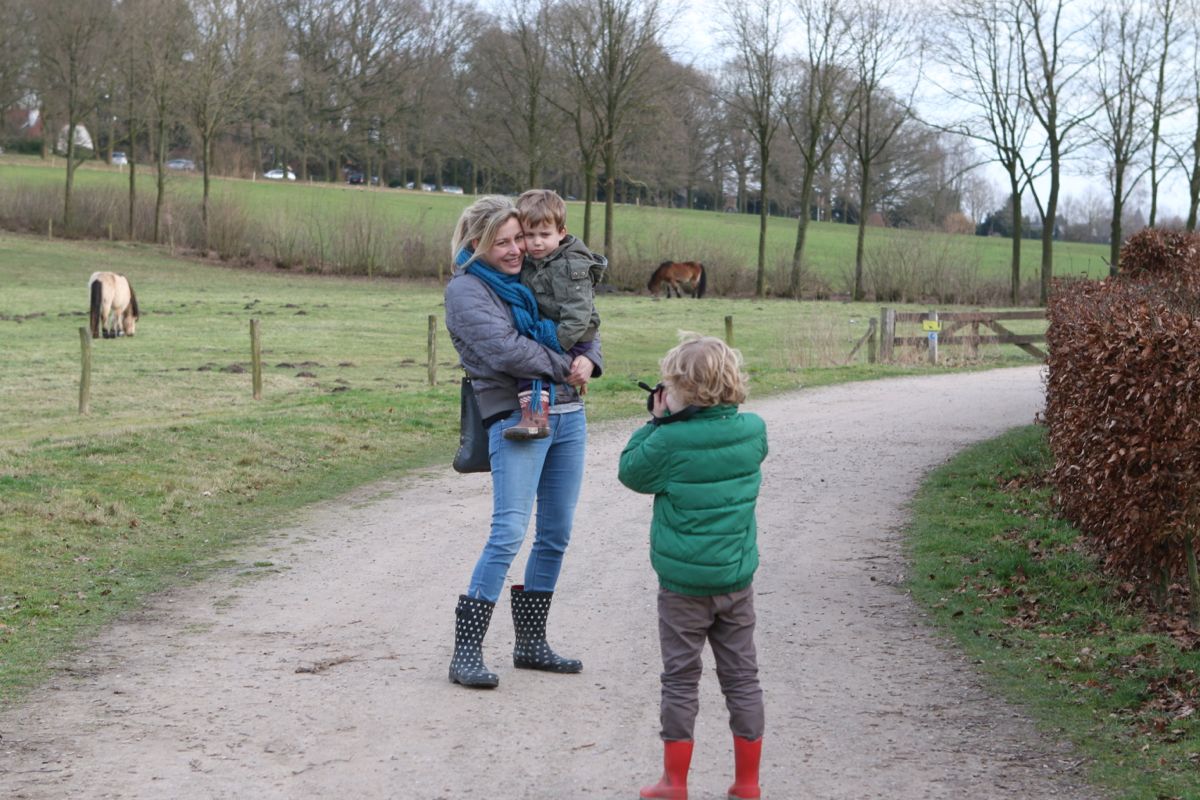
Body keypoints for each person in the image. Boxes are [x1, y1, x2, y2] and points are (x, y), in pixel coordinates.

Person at [443, 195, 600, 689]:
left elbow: (583, 320)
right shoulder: (467, 291)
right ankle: (465, 652)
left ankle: (531, 644)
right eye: (502, 242)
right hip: (517, 416)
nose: (515, 250)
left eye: (518, 238)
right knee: (509, 531)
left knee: (555, 534)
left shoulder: (536, 274)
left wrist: (590, 359)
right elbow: (507, 351)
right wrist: (567, 367)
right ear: (476, 244)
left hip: (568, 416)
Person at [617, 335, 768, 800]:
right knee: (742, 677)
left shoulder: (669, 441)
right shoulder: (753, 430)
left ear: (683, 389)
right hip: (735, 580)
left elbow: (630, 472)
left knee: (681, 679)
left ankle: (674, 782)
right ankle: (747, 783)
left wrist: (656, 422)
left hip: (683, 587)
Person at [504, 188, 608, 440]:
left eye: (544, 234)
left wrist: (555, 345)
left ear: (561, 233)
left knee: (533, 366)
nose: (537, 242)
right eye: (529, 235)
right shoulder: (534, 261)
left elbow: (578, 314)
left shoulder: (570, 266)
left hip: (572, 335)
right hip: (554, 329)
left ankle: (536, 418)